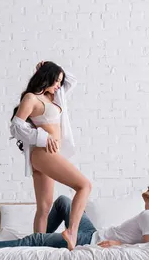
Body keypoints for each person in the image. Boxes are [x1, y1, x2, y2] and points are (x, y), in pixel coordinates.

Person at [9, 60, 91, 250]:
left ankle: (39, 248)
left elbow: (72, 81)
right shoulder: (32, 98)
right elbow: (16, 126)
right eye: (56, 81)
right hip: (43, 153)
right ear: (47, 78)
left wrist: (51, 67)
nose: (58, 86)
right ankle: (72, 232)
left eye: (59, 83)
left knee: (44, 208)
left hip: (45, 155)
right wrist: (42, 137)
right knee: (84, 185)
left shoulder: (53, 97)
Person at [0, 183, 149, 249]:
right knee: (63, 202)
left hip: (87, 240)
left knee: (35, 240)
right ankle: (37, 243)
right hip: (92, 232)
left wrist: (118, 244)